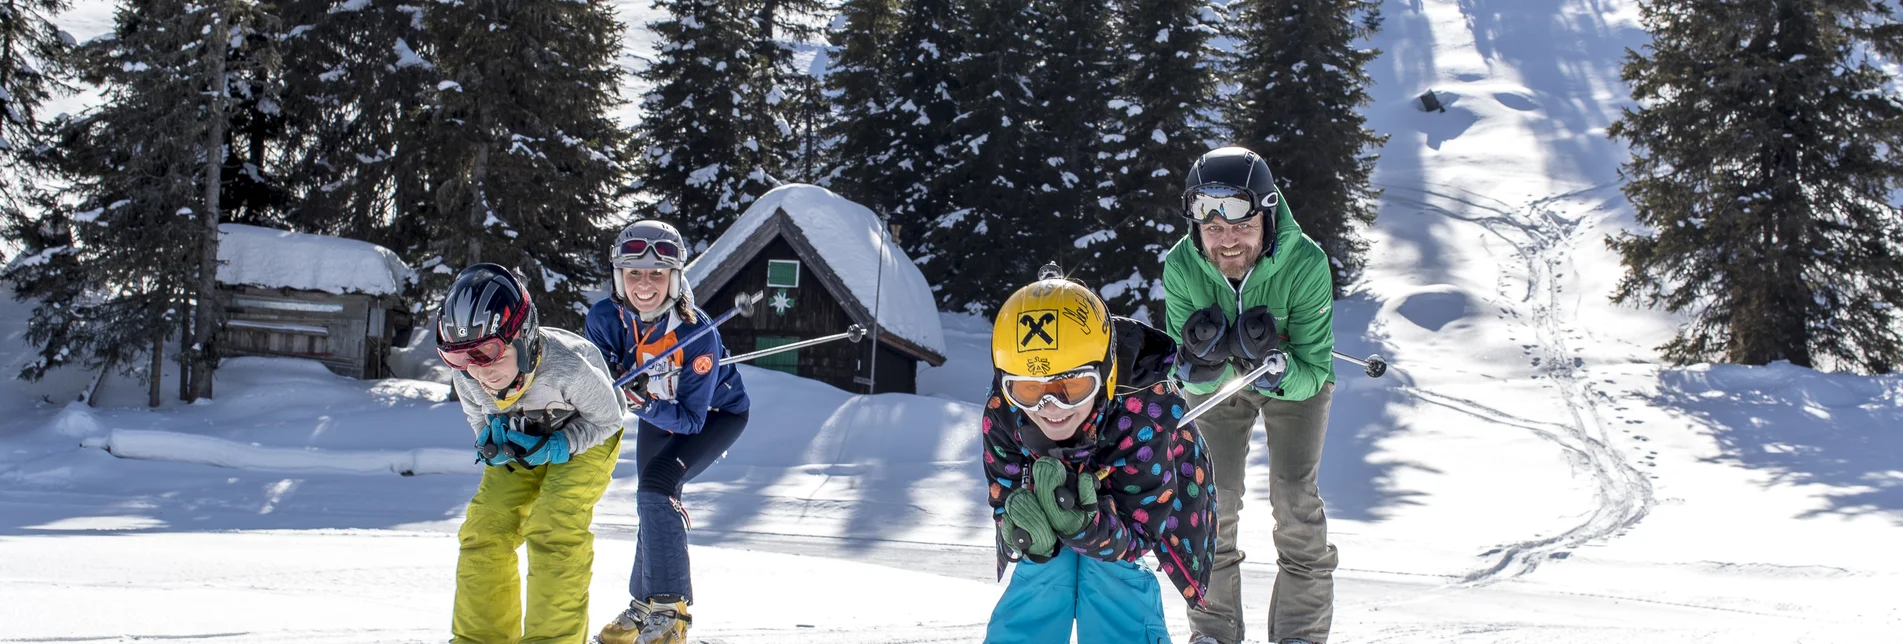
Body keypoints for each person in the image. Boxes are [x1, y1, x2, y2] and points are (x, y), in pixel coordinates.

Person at [979, 269, 1217, 644]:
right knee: (1045, 567)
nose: (1050, 407)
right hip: (1062, 495)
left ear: (1104, 373)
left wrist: (1084, 529)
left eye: (1071, 386)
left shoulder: (1143, 415)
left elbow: (1138, 531)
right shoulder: (1005, 412)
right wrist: (1026, 534)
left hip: (1140, 493)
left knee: (1110, 574)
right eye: (1027, 389)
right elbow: (1006, 493)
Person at [1163, 147, 1340, 644]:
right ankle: (1213, 631)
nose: (1227, 241)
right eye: (1212, 227)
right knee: (1212, 498)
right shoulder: (1181, 266)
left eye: (1240, 224)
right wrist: (1201, 362)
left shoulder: (1304, 261)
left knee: (1294, 497)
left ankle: (1300, 633)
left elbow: (1315, 369)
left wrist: (1275, 369)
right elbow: (1188, 379)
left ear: (1266, 212)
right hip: (1225, 386)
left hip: (1293, 380)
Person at [439, 263, 626, 643]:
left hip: (587, 438)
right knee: (485, 529)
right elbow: (479, 415)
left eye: (489, 352)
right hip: (524, 439)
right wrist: (490, 440)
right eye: (459, 358)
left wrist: (561, 445)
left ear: (522, 337)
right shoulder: (469, 377)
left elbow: (609, 420)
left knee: (552, 526)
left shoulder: (568, 369)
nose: (479, 371)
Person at [588, 220, 751, 644]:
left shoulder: (697, 334)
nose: (645, 284)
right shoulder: (604, 319)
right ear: (618, 276)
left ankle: (671, 610)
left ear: (675, 278)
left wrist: (645, 402)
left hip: (715, 415)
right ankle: (643, 608)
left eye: (657, 274)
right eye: (634, 272)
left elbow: (693, 421)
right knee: (650, 502)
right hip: (657, 413)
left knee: (658, 490)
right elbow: (600, 377)